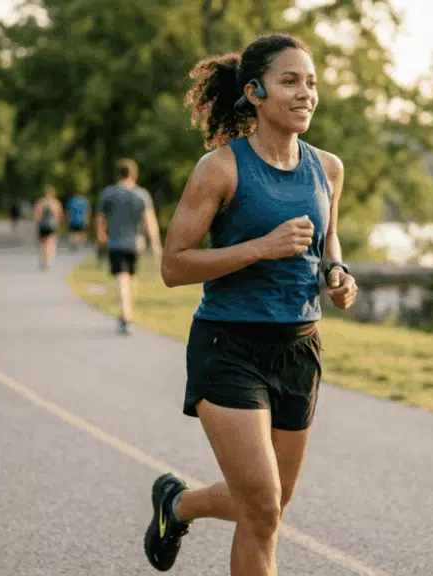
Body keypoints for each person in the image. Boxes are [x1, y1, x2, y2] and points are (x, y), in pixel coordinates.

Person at [142, 33, 358, 574]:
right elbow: (173, 266)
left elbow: (328, 238)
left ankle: (177, 505)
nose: (305, 93)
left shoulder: (328, 168)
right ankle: (180, 506)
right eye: (290, 81)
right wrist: (261, 247)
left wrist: (337, 272)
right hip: (229, 345)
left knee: (269, 507)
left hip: (299, 350)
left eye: (311, 82)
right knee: (261, 507)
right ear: (255, 92)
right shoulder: (219, 169)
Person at [95, 158, 162, 335]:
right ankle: (128, 312)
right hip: (136, 244)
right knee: (131, 278)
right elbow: (150, 221)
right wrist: (155, 244)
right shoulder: (142, 194)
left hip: (115, 243)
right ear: (134, 174)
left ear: (118, 174)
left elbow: (100, 219)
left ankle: (125, 316)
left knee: (121, 278)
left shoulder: (108, 193)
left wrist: (100, 237)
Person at [33, 186, 64, 269]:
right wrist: (59, 224)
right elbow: (59, 215)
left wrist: (36, 226)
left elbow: (36, 216)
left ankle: (44, 258)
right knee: (51, 243)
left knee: (43, 243)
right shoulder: (56, 203)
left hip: (42, 226)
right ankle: (48, 260)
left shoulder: (40, 202)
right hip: (51, 226)